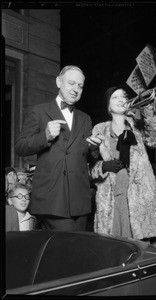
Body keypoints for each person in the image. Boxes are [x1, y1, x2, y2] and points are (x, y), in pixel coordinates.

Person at [15, 65, 104, 231]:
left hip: (80, 201)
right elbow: (20, 146)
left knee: (76, 252)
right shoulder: (39, 111)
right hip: (52, 199)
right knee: (65, 252)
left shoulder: (85, 119)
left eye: (80, 86)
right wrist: (45, 136)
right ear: (58, 81)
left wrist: (93, 148)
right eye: (71, 83)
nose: (76, 89)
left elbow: (90, 159)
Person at [89, 85, 156, 242]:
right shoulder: (100, 129)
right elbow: (90, 169)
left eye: (123, 96)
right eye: (115, 97)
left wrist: (148, 111)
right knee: (115, 251)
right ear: (108, 106)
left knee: (143, 252)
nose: (120, 99)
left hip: (139, 200)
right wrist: (102, 167)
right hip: (112, 202)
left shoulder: (137, 125)